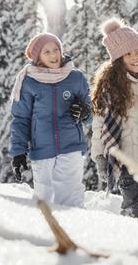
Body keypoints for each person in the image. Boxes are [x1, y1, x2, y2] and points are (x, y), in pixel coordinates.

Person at [90, 18, 138, 220]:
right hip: (130, 164)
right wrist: (99, 155)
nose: (135, 57)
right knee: (137, 215)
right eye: (128, 53)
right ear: (118, 58)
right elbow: (100, 124)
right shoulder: (110, 86)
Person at [9, 32, 92, 208]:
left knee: (72, 199)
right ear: (37, 56)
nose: (53, 55)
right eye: (47, 52)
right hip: (42, 149)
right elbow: (21, 118)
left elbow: (91, 113)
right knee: (44, 201)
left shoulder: (75, 77)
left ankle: (76, 233)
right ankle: (47, 234)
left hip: (71, 147)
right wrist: (18, 152)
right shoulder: (29, 81)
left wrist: (83, 112)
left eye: (56, 50)